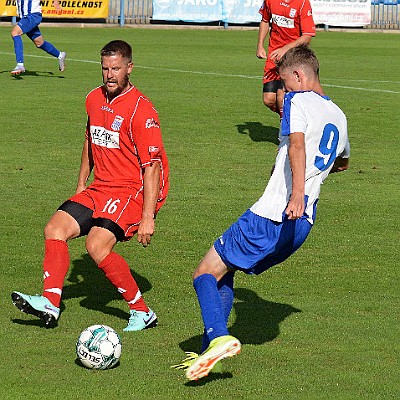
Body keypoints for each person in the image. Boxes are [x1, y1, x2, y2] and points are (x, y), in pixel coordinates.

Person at [173, 45, 350, 381]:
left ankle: (219, 338)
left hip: (273, 215)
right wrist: (312, 176)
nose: (283, 93)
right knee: (227, 270)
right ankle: (214, 352)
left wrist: (296, 191)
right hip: (300, 228)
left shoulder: (299, 101)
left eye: (284, 83)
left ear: (298, 76)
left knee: (205, 273)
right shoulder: (340, 117)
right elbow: (342, 162)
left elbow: (297, 144)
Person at [11, 40, 169, 332]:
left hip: (131, 189)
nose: (110, 75)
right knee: (55, 229)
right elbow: (90, 139)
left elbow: (153, 166)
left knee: (95, 245)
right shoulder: (93, 99)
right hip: (101, 186)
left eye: (117, 69)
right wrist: (82, 182)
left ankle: (142, 312)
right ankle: (50, 303)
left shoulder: (141, 110)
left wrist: (148, 216)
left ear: (129, 68)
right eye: (105, 68)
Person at [256, 0, 316, 117]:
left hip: (294, 58)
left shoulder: (302, 3)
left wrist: (285, 49)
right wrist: (260, 45)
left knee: (281, 97)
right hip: (274, 56)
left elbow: (307, 36)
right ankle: (290, 120)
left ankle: (288, 129)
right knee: (269, 99)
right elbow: (265, 20)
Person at [11, 0, 66, 75]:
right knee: (39, 43)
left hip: (32, 15)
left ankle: (20, 65)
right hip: (26, 17)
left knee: (15, 33)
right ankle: (60, 55)